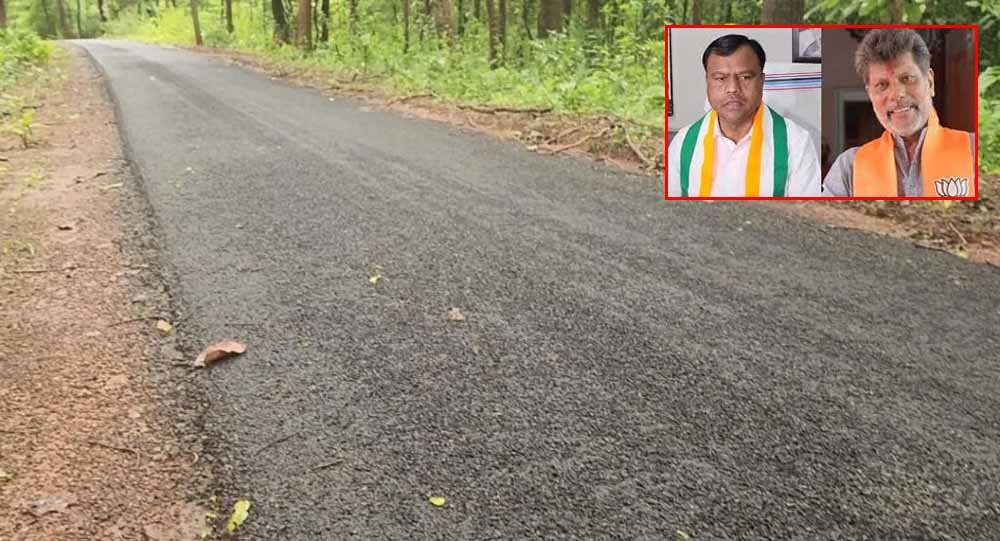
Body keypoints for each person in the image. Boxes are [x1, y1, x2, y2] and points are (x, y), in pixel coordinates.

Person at [823, 29, 975, 197]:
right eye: (882, 85)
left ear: (930, 82)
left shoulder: (974, 150)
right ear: (870, 94)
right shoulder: (848, 168)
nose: (897, 94)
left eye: (907, 79)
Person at [667, 34, 821, 197]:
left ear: (762, 81)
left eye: (745, 77)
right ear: (708, 82)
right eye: (720, 78)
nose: (732, 88)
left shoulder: (796, 142)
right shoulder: (683, 142)